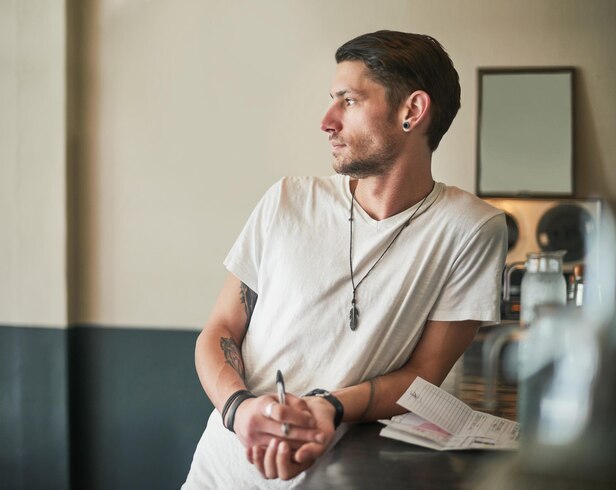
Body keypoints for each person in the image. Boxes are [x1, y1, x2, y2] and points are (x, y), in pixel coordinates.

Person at [182, 30, 507, 489]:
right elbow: (219, 330)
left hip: (341, 477)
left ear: (411, 111)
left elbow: (423, 377)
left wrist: (328, 407)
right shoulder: (287, 201)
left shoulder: (471, 229)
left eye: (348, 101)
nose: (327, 121)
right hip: (222, 471)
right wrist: (239, 409)